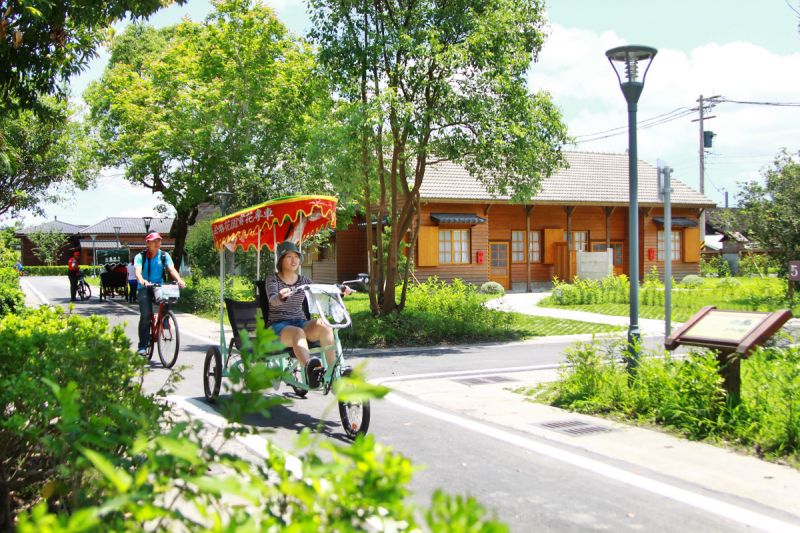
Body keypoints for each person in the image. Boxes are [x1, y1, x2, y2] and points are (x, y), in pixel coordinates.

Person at [266, 241, 351, 388]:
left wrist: (340, 291)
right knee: (297, 333)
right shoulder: (273, 279)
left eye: (296, 257)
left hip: (300, 321)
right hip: (278, 326)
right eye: (289, 257)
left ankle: (333, 373)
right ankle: (311, 371)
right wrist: (280, 296)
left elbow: (321, 292)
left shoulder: (304, 281)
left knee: (324, 325)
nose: (294, 260)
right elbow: (273, 300)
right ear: (280, 260)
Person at [134, 232, 185, 355]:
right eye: (154, 241)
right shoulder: (140, 256)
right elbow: (137, 271)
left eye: (159, 241)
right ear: (147, 243)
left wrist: (179, 280)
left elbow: (171, 269)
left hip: (159, 286)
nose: (157, 243)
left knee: (167, 301)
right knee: (146, 315)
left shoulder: (164, 255)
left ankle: (165, 319)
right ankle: (142, 346)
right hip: (145, 287)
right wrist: (141, 280)